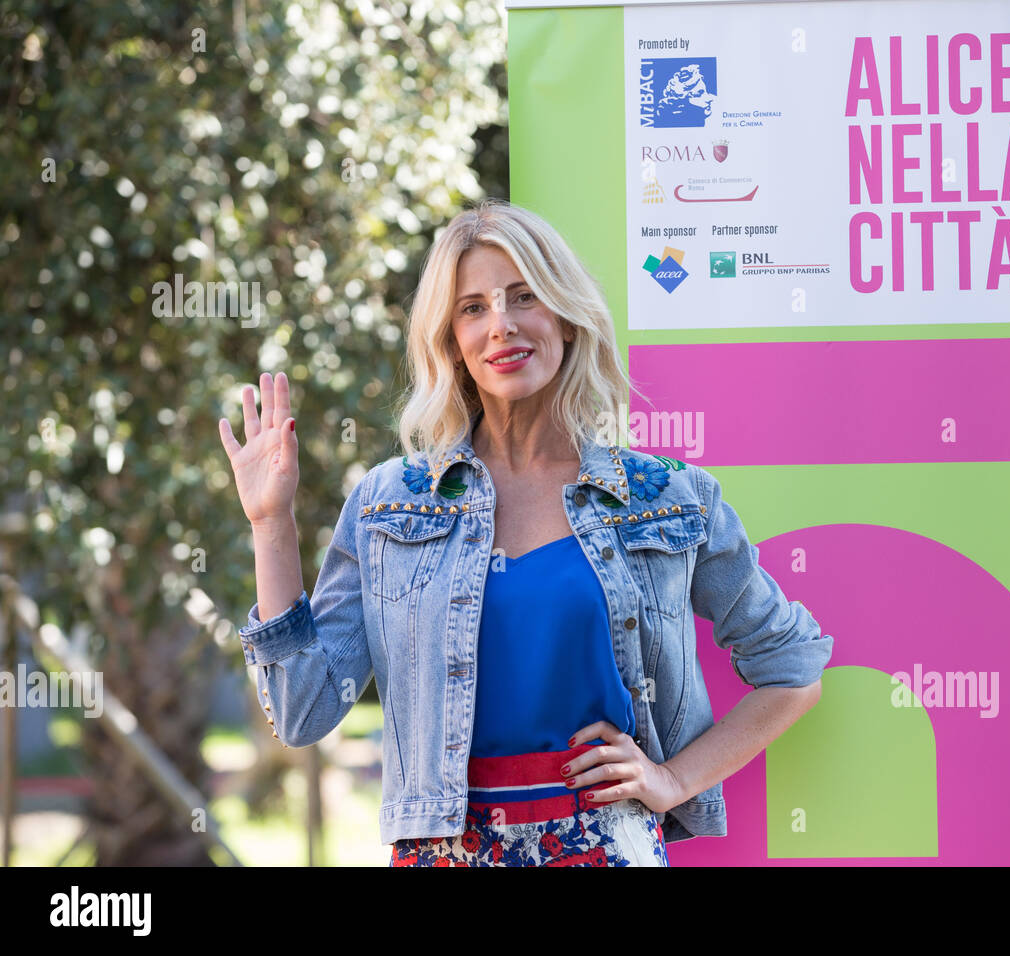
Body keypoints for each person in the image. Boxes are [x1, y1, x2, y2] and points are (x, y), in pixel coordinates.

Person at [218, 198, 833, 867]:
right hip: (444, 851)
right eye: (473, 308)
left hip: (604, 845)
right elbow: (302, 708)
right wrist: (270, 524)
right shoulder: (391, 503)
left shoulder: (667, 498)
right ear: (451, 341)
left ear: (567, 318)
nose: (501, 326)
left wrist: (675, 779)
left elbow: (792, 671)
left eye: (523, 297)